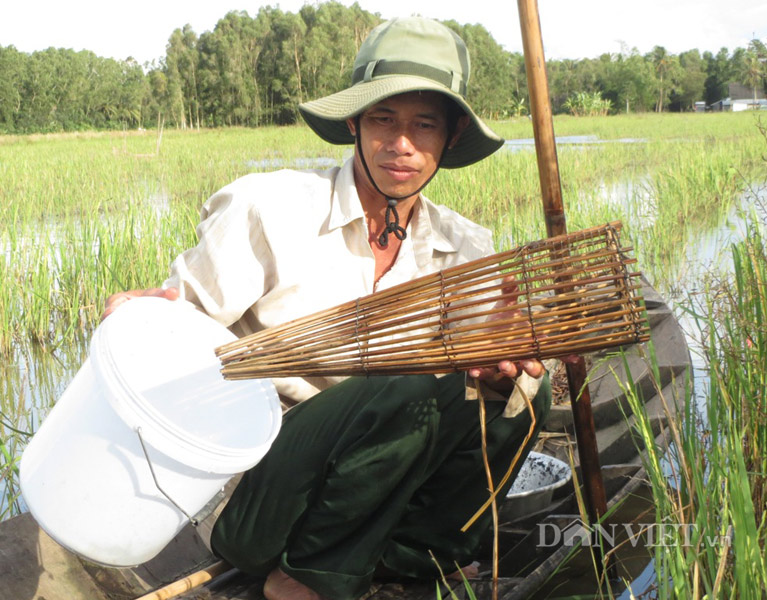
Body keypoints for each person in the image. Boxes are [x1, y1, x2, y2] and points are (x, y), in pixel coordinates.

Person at [104, 17, 552, 600]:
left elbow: (476, 383)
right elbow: (174, 332)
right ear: (353, 123)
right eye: (383, 120)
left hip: (374, 490)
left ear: (451, 135)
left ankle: (413, 557)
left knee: (520, 400)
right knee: (406, 384)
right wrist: (142, 318)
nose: (402, 145)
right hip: (257, 489)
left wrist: (501, 368)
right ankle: (306, 577)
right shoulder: (268, 209)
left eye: (424, 125)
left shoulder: (464, 246)